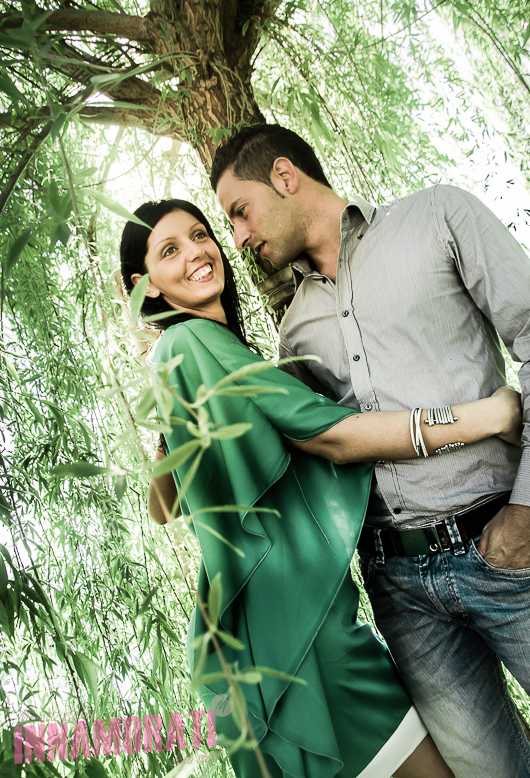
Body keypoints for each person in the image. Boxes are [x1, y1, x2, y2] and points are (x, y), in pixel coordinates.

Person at [120, 198, 521, 778]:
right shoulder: (188, 347)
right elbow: (332, 435)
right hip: (307, 644)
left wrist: (173, 414)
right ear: (143, 286)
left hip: (268, 644)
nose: (199, 252)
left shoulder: (191, 358)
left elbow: (163, 503)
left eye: (200, 235)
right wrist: (486, 417)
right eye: (169, 251)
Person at [210, 123, 530, 778]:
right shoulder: (294, 333)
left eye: (238, 212)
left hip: (510, 549)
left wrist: (527, 513)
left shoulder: (437, 217)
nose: (237, 238)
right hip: (403, 596)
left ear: (283, 175)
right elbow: (305, 462)